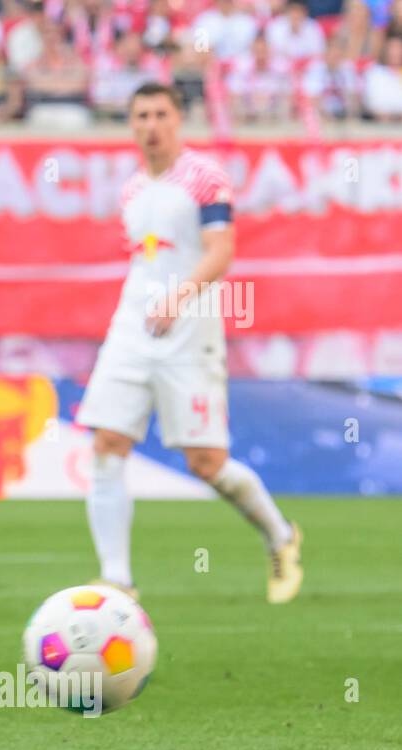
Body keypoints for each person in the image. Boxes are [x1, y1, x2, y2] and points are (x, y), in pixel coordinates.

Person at [76, 82, 303, 605]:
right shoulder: (132, 190)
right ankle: (117, 580)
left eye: (160, 114)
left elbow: (221, 252)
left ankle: (281, 536)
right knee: (107, 444)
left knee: (206, 462)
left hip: (190, 332)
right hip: (132, 331)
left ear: (178, 120)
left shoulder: (204, 178)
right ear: (130, 124)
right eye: (140, 116)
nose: (150, 124)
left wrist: (178, 298)